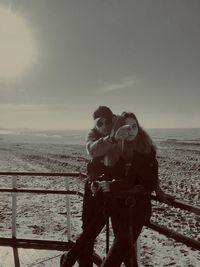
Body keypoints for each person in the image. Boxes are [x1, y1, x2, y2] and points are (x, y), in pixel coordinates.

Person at [60, 107, 174, 267]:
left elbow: (144, 171)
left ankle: (70, 258)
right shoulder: (98, 135)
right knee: (90, 231)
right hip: (100, 190)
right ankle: (72, 259)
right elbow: (93, 152)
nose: (105, 125)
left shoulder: (127, 137)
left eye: (108, 121)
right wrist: (98, 182)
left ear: (114, 119)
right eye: (100, 123)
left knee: (121, 240)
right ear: (95, 124)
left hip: (118, 195)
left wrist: (158, 189)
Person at [96, 111, 159, 267]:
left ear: (139, 128)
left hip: (136, 210)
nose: (130, 130)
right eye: (126, 127)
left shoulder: (146, 150)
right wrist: (99, 182)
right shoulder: (116, 150)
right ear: (118, 129)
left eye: (134, 126)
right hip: (117, 209)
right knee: (127, 255)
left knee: (115, 256)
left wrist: (113, 185)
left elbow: (148, 183)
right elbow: (107, 172)